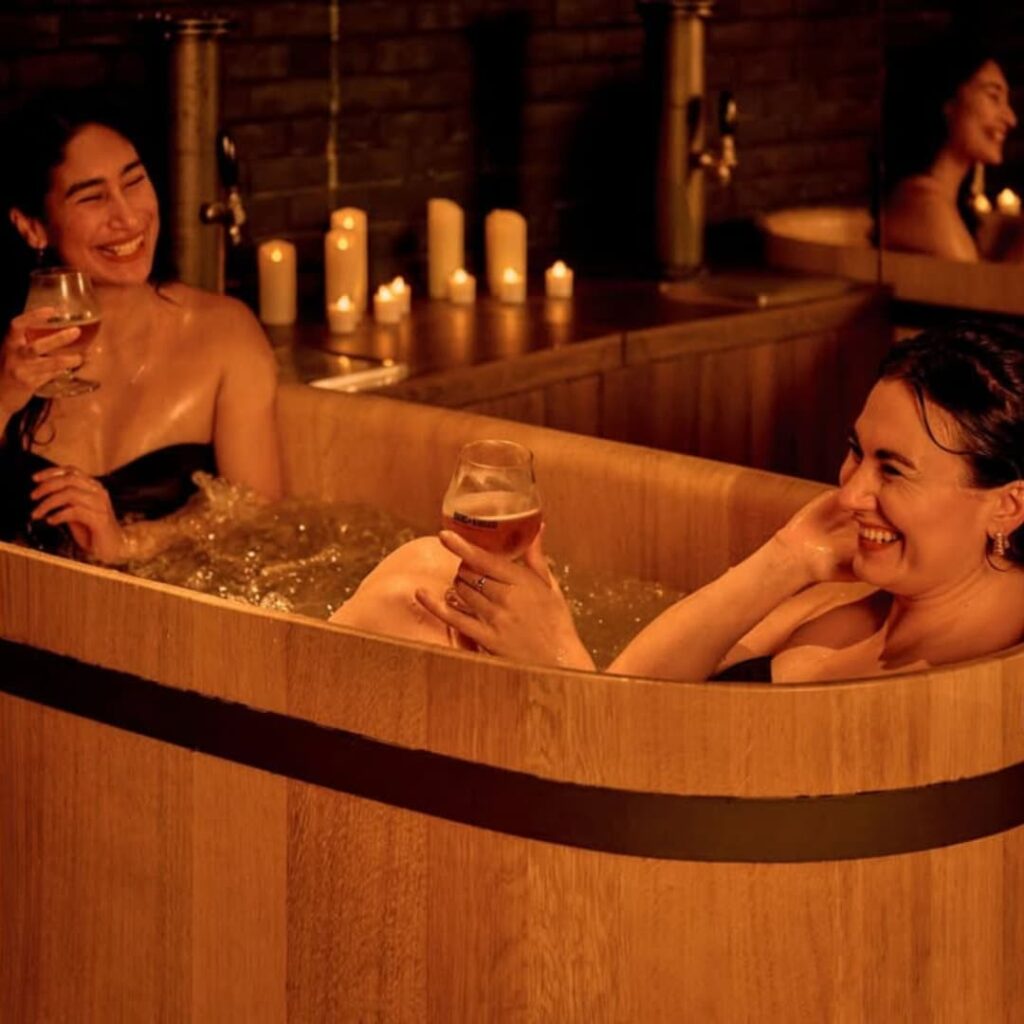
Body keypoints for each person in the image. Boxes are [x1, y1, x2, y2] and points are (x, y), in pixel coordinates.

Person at [412, 323, 1024, 682]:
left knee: (411, 597)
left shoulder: (963, 686)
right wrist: (787, 557)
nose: (852, 491)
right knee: (420, 577)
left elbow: (672, 798)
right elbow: (639, 684)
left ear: (1008, 505)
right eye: (855, 452)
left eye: (893, 470)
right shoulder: (870, 600)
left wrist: (555, 661)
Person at [0, 90, 281, 562]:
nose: (128, 216)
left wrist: (128, 541)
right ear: (32, 227)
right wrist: (3, 395)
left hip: (168, 620)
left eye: (134, 182)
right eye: (92, 197)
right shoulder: (10, 350)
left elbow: (261, 516)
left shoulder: (223, 334)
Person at [881, 42, 1017, 261]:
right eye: (993, 97)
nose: (1010, 119)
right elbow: (981, 294)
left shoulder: (934, 201)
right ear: (948, 102)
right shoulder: (924, 209)